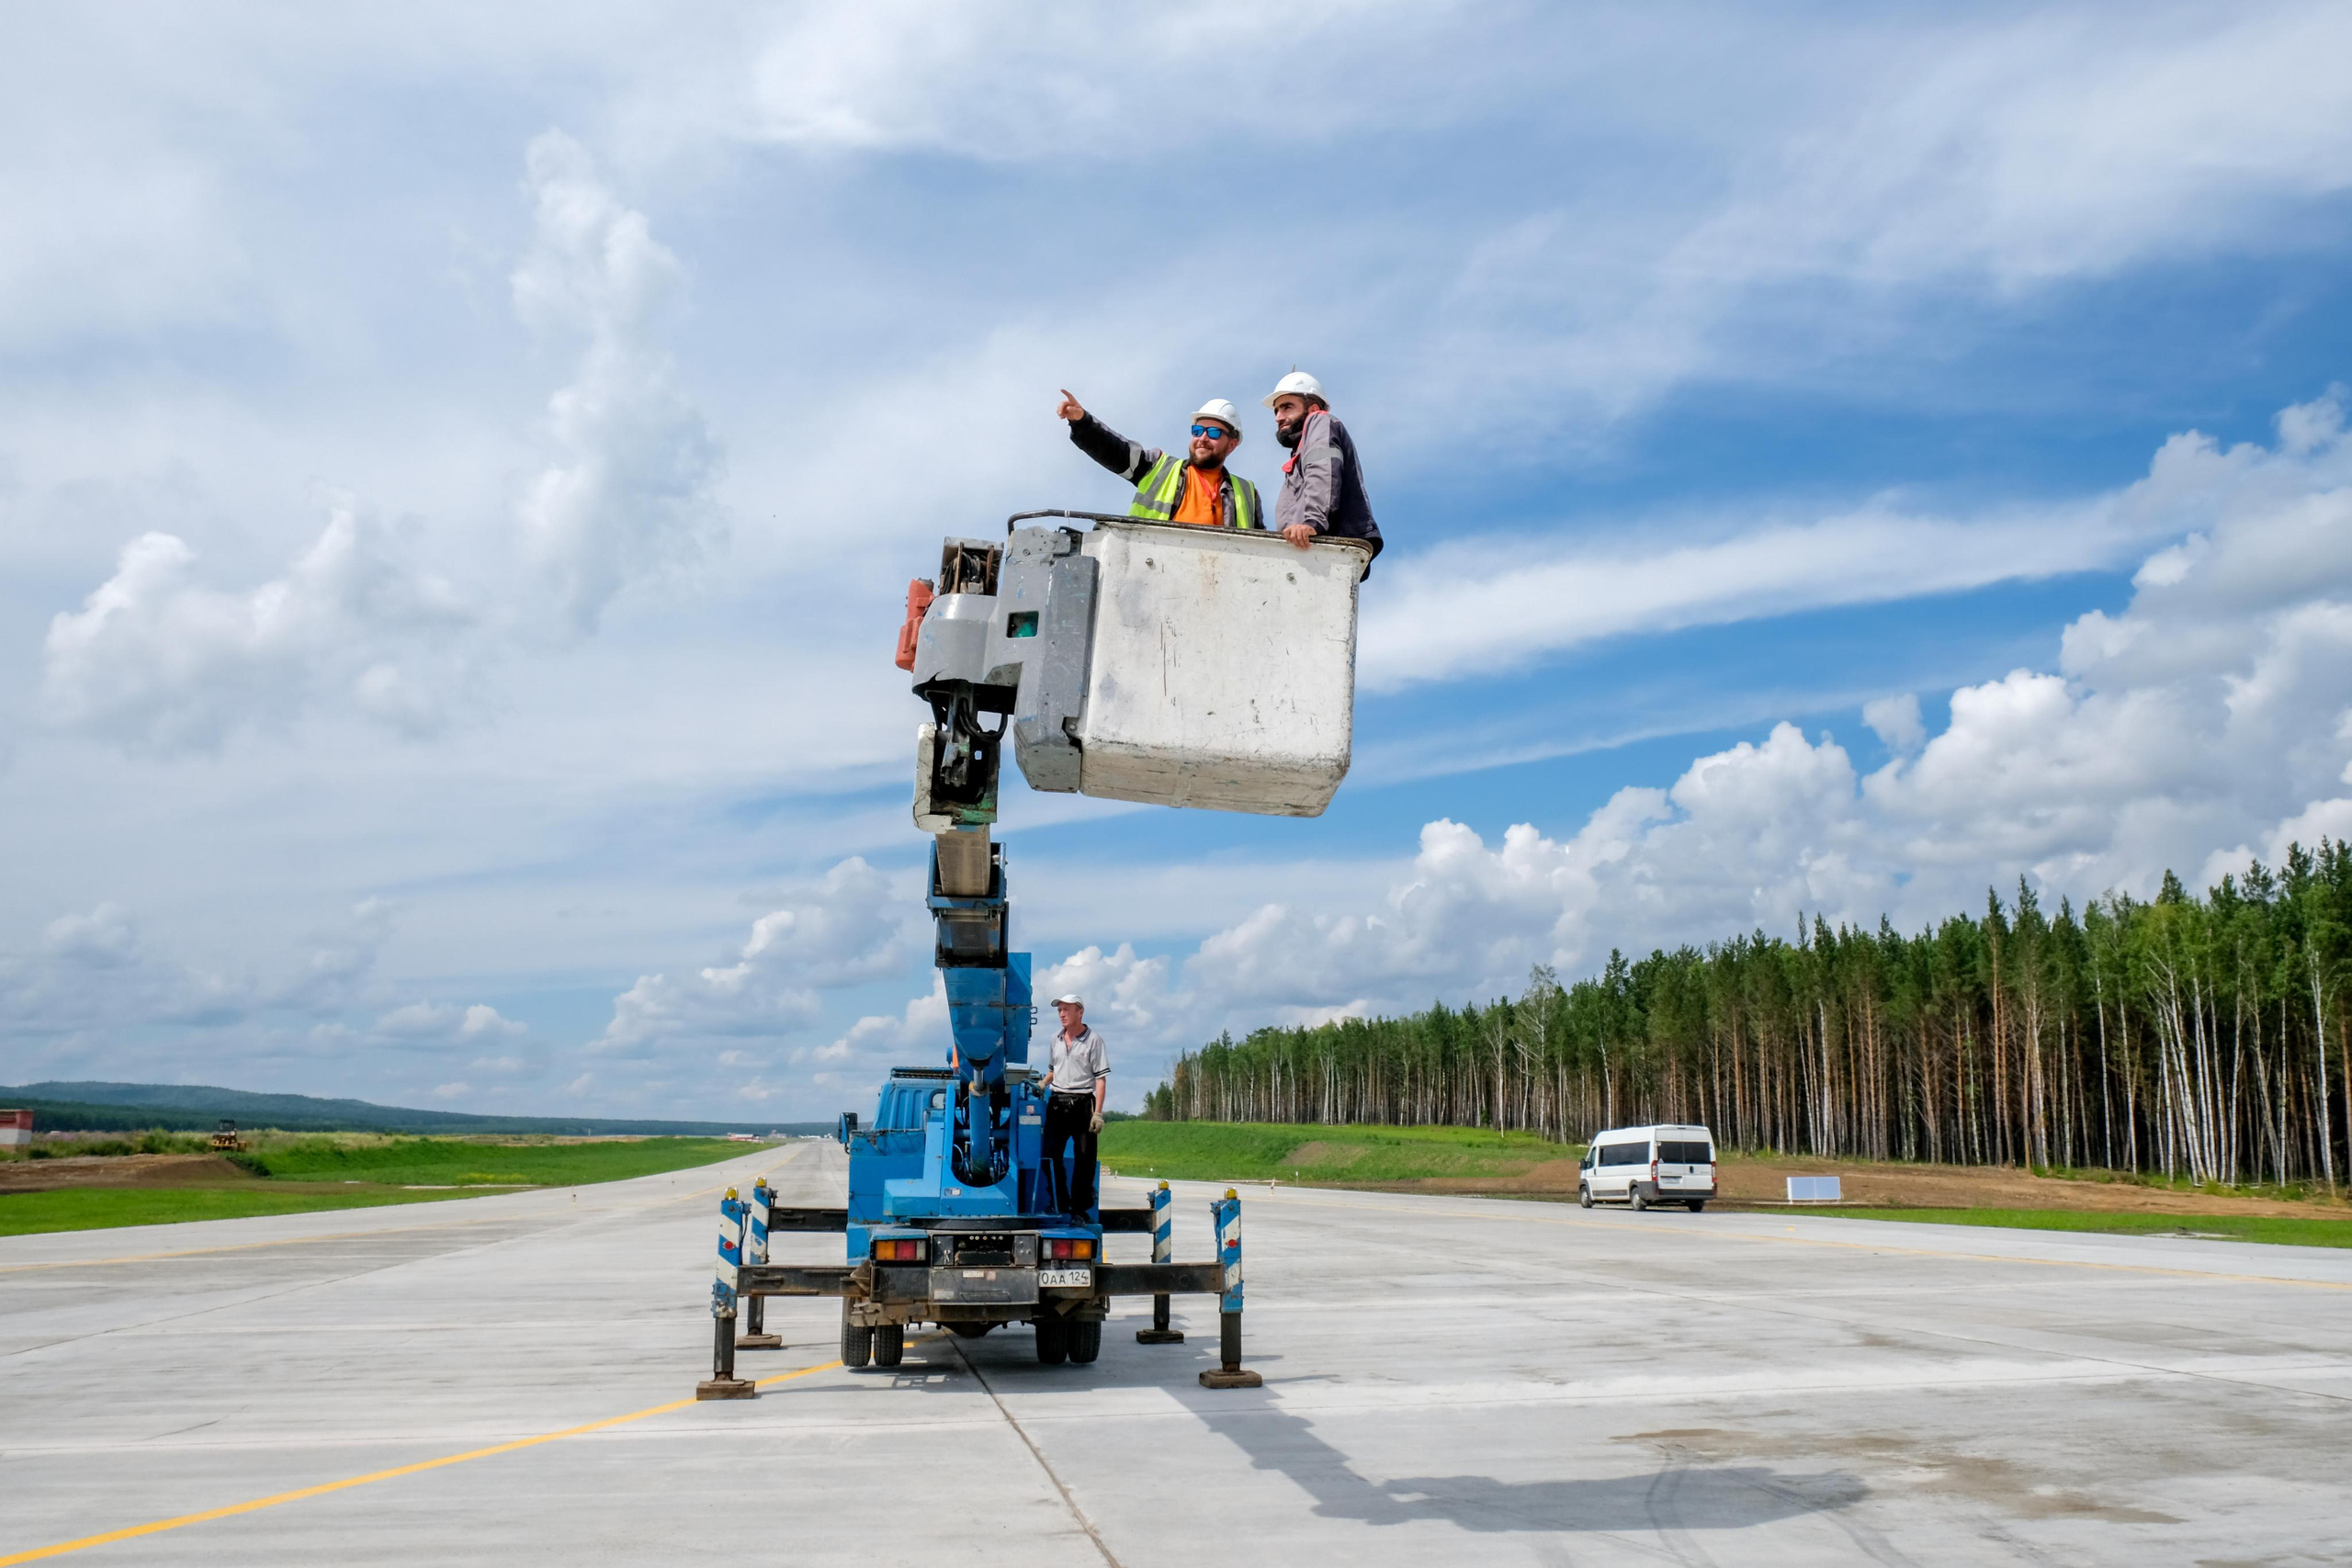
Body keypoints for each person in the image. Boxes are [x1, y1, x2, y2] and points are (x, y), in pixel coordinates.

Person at [1057, 390, 1265, 532]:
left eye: (1213, 432)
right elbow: (1116, 451)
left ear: (1232, 444)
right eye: (1197, 430)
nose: (1202, 438)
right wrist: (1082, 422)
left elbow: (1261, 552)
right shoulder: (1159, 468)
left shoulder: (1247, 494)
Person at [1263, 371, 1382, 568]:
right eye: (1276, 411)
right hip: (1307, 553)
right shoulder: (1299, 450)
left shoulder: (1319, 421)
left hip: (1325, 546)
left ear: (1314, 408)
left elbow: (1323, 472)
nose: (1279, 417)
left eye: (1287, 407)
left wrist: (1312, 523)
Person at [1040, 992, 1109, 1214]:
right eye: (1059, 1010)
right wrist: (1042, 1084)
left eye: (1066, 1009)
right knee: (1049, 1155)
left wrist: (1097, 1113)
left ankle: (1079, 1209)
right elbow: (1053, 1070)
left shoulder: (1094, 1041)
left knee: (1084, 1160)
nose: (1061, 1014)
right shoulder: (1055, 1040)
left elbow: (1100, 1079)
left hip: (1083, 1103)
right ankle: (1059, 1202)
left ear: (1080, 1012)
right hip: (1058, 1102)